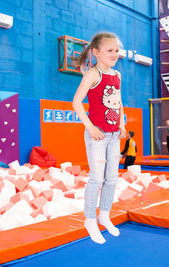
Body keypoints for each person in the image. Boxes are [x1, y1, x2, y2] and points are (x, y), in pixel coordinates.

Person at [72, 32, 126, 244]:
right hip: (98, 136)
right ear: (95, 52)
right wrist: (90, 127)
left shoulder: (117, 75)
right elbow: (76, 102)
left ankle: (104, 214)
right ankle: (89, 218)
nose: (114, 54)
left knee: (112, 178)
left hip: (114, 136)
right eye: (109, 51)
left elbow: (118, 102)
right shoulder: (92, 74)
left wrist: (121, 124)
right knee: (97, 177)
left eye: (116, 51)